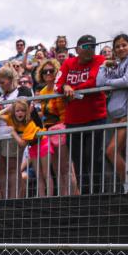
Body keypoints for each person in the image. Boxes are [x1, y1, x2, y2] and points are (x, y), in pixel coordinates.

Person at [55, 34, 107, 194]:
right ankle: (84, 194)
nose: (90, 49)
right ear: (77, 49)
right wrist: (64, 87)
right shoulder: (68, 63)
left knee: (94, 156)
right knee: (78, 159)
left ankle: (96, 193)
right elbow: (58, 83)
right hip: (73, 120)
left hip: (96, 117)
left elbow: (94, 81)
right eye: (86, 46)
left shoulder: (100, 60)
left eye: (93, 46)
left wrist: (72, 88)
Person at [96, 33, 128, 192]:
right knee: (127, 151)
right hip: (118, 114)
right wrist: (104, 65)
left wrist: (110, 83)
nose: (121, 48)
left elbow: (127, 80)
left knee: (111, 151)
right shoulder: (117, 63)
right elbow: (99, 83)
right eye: (117, 46)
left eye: (124, 45)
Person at [35, 58, 77, 196]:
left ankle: (72, 197)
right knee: (56, 168)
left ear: (57, 72)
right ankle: (62, 197)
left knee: (66, 167)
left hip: (62, 127)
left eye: (51, 71)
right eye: (45, 71)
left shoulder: (61, 86)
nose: (48, 73)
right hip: (48, 131)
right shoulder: (42, 92)